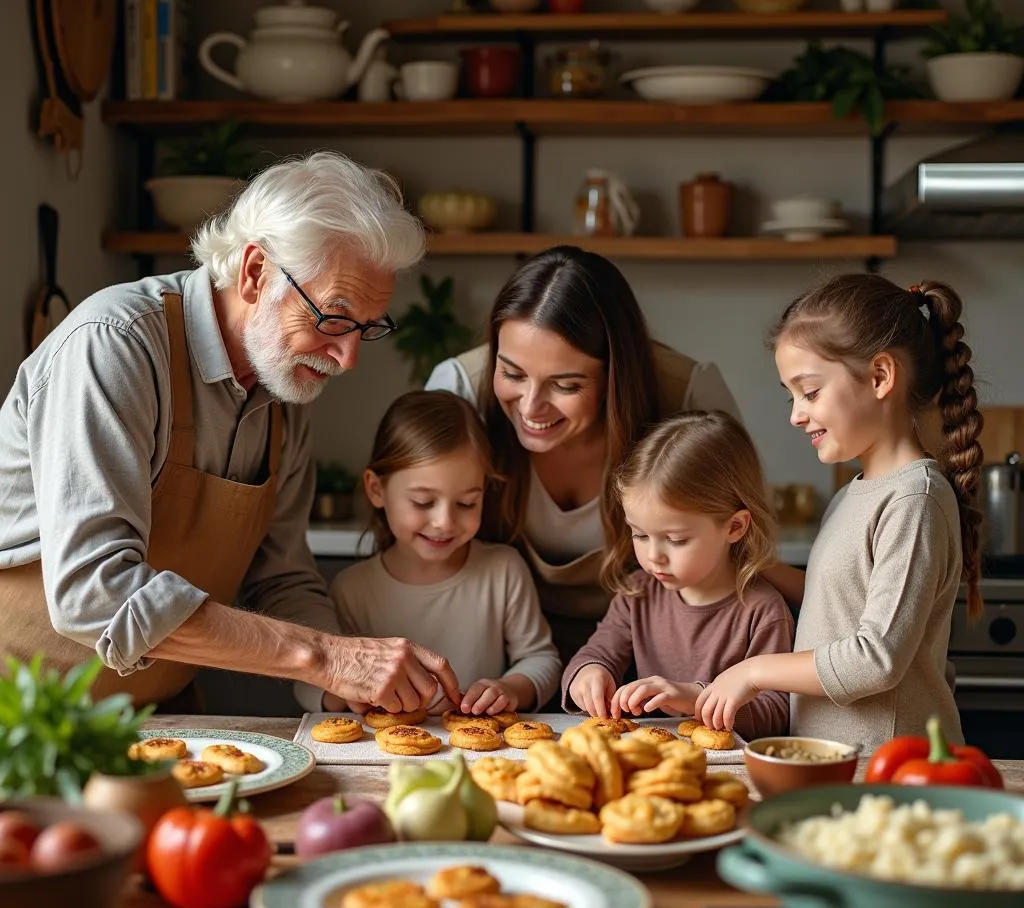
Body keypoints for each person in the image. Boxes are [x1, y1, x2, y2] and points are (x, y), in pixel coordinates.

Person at [0, 152, 461, 715]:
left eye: (367, 329)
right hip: (20, 727)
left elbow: (283, 582)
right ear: (255, 272)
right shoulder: (114, 345)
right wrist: (327, 657)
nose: (347, 359)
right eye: (334, 318)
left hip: (157, 723)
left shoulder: (284, 389)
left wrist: (343, 689)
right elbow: (94, 592)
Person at [694, 274, 983, 752]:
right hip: (834, 758)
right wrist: (755, 563)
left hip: (886, 764)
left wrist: (754, 672)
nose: (795, 414)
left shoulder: (914, 501)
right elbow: (842, 606)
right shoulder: (855, 492)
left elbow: (875, 657)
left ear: (879, 377)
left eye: (809, 392)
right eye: (793, 396)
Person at [425, 245, 742, 668]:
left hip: (652, 660)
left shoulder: (687, 394)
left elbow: (738, 549)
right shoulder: (459, 389)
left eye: (566, 385)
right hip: (490, 660)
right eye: (512, 374)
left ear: (616, 376)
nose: (531, 407)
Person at [561, 411, 793, 740]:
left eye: (676, 540)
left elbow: (776, 715)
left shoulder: (762, 610)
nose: (654, 555)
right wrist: (588, 674)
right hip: (649, 755)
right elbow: (596, 653)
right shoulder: (637, 595)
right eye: (639, 535)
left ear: (735, 527)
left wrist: (695, 699)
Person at [329, 390, 561, 716]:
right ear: (376, 489)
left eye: (467, 503)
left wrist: (510, 688)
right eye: (423, 502)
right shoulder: (352, 589)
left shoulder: (503, 570)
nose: (444, 522)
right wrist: (345, 690)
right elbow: (316, 683)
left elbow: (541, 659)